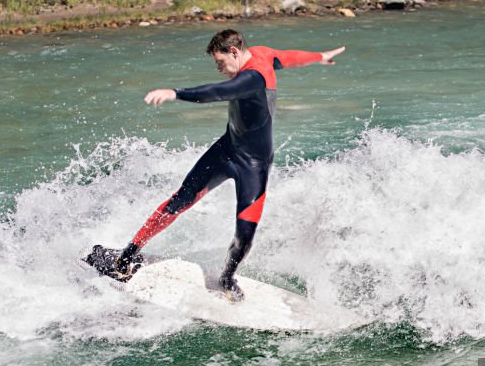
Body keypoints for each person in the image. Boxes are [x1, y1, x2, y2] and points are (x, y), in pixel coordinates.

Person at [94, 29, 345, 300]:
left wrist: (174, 93)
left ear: (234, 52)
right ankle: (127, 255)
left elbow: (217, 92)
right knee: (179, 201)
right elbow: (288, 57)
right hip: (226, 151)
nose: (220, 69)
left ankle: (227, 277)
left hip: (254, 166)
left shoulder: (251, 77)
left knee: (245, 233)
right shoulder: (261, 54)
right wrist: (319, 56)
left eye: (220, 63)